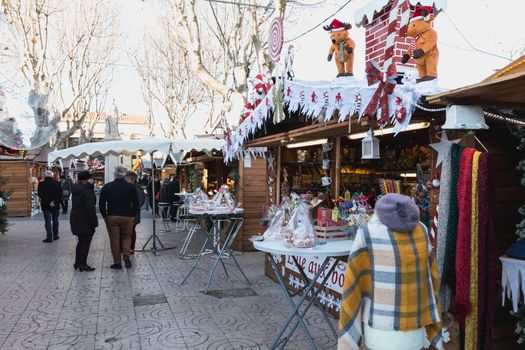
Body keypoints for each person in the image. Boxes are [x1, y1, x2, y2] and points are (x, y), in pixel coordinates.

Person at [99, 166, 139, 269]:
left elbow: (101, 204)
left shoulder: (107, 187)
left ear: (114, 174)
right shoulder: (131, 187)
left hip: (112, 216)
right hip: (127, 217)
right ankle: (126, 254)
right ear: (124, 174)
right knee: (127, 237)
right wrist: (133, 215)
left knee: (114, 239)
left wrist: (105, 216)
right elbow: (136, 203)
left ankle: (117, 262)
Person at [70, 171, 98, 272]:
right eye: (90, 178)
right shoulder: (87, 191)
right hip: (85, 219)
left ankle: (77, 262)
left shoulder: (76, 189)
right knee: (85, 242)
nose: (92, 180)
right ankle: (83, 264)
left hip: (76, 217)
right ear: (86, 180)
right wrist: (94, 222)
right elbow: (90, 208)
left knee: (81, 241)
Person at [38, 170, 62, 243]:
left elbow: (40, 194)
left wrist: (48, 202)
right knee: (55, 221)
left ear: (45, 176)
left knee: (47, 221)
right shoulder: (57, 183)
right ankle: (55, 236)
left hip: (46, 205)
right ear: (52, 176)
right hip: (55, 205)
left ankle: (49, 237)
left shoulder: (41, 184)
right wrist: (54, 201)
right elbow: (60, 195)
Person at [125, 171, 145, 254]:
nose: (125, 180)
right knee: (127, 231)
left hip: (134, 213)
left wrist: (132, 209)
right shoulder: (128, 187)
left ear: (132, 179)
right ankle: (126, 248)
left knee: (131, 231)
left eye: (126, 178)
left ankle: (131, 248)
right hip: (127, 213)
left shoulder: (137, 188)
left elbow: (141, 201)